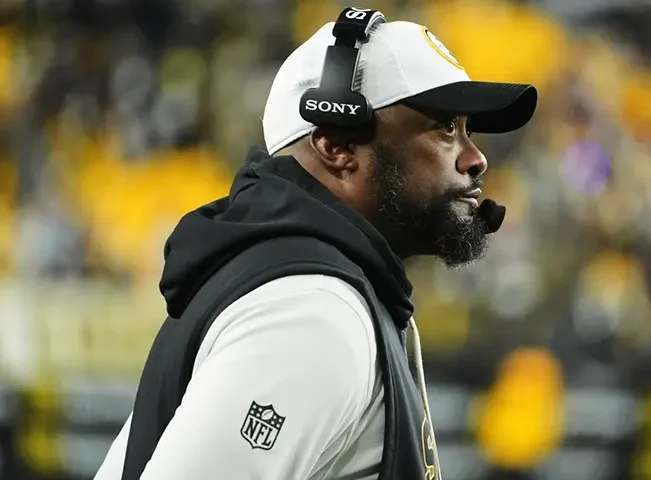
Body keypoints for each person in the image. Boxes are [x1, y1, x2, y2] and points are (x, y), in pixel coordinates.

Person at [94, 7, 537, 480]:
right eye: (446, 128)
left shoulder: (304, 281)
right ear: (337, 146)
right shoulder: (312, 308)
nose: (475, 157)